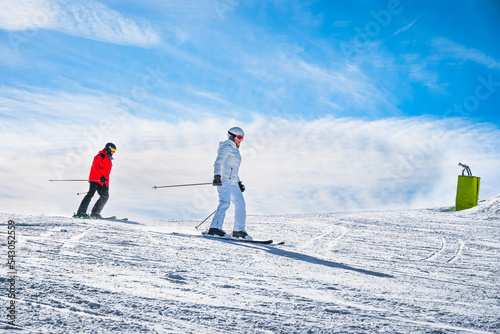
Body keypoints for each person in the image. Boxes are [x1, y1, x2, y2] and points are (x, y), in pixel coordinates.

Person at [208, 127, 251, 239]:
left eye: (242, 138)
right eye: (239, 137)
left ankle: (238, 230)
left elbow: (233, 169)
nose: (241, 140)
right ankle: (214, 228)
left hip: (232, 182)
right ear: (232, 136)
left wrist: (238, 181)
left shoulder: (235, 151)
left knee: (240, 203)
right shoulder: (226, 147)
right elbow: (218, 162)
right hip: (224, 180)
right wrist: (217, 176)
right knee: (225, 203)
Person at [74, 143, 116, 219]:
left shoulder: (109, 160)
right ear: (108, 149)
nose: (113, 152)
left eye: (115, 151)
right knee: (90, 194)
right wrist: (101, 176)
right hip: (96, 179)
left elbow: (107, 173)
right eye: (113, 150)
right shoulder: (100, 156)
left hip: (103, 182)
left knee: (105, 196)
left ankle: (95, 213)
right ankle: (81, 212)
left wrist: (106, 183)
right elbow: (95, 166)